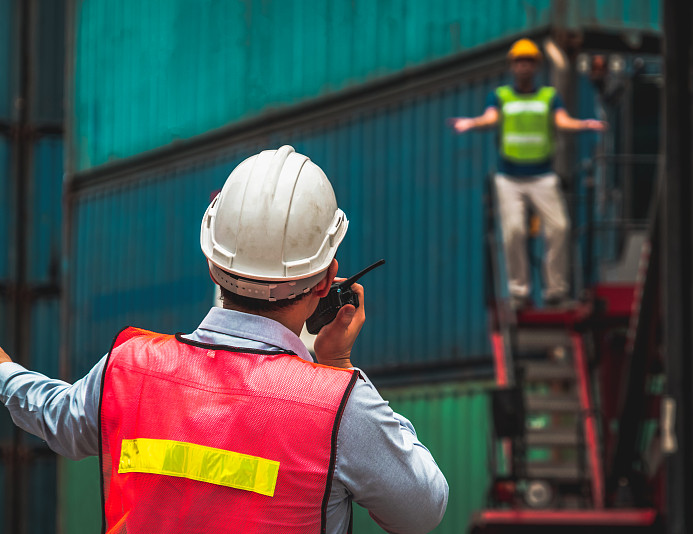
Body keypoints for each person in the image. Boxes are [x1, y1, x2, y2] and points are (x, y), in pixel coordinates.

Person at [0, 146, 448, 533]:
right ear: (327, 281)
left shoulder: (129, 368)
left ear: (212, 266)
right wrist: (338, 367)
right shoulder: (340, 408)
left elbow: (57, 416)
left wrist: (4, 372)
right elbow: (422, 511)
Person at [451, 38, 606, 309]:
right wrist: (472, 123)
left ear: (536, 66)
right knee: (514, 231)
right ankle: (519, 292)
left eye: (529, 62)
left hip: (543, 175)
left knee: (559, 228)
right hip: (509, 178)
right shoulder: (500, 96)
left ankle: (556, 290)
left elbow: (561, 121)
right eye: (519, 61)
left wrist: (584, 125)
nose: (524, 66)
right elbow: (491, 118)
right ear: (512, 66)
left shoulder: (548, 97)